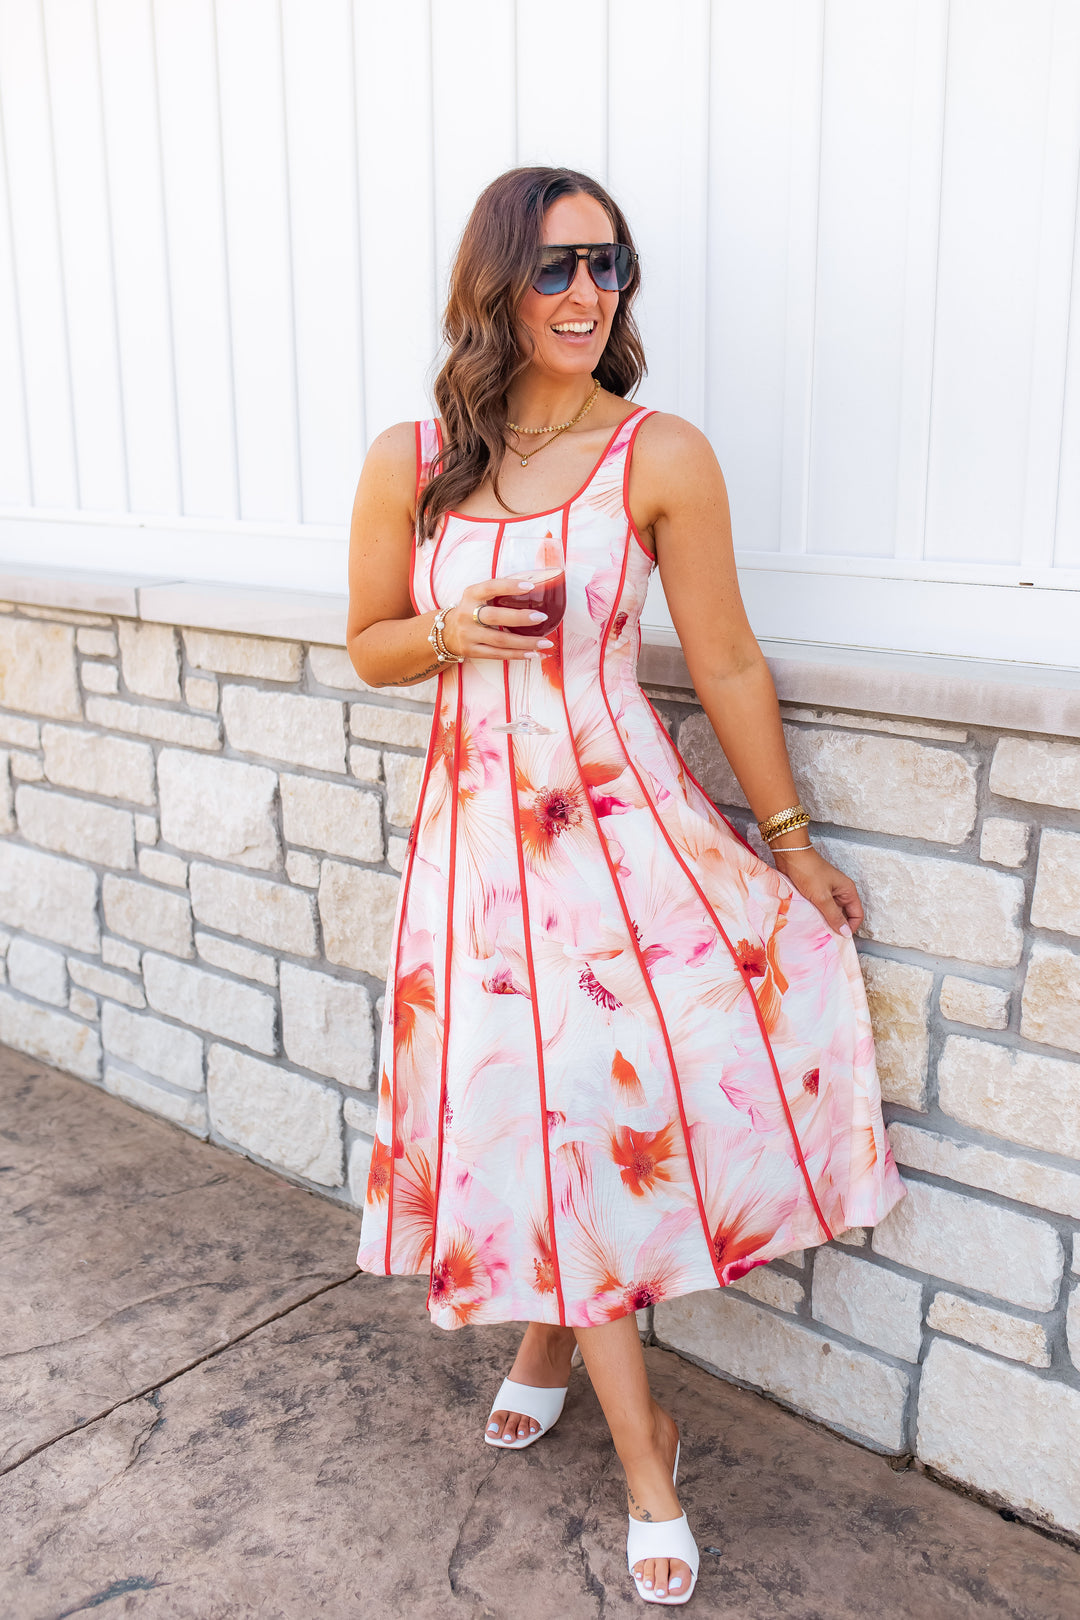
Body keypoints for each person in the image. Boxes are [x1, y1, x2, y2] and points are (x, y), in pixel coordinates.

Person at [346, 166, 905, 1608]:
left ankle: (644, 1450)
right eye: (555, 268)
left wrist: (788, 841)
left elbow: (726, 659)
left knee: (589, 1118)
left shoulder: (660, 454)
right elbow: (368, 642)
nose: (589, 292)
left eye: (609, 264)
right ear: (495, 286)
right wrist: (448, 634)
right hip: (477, 860)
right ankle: (566, 1349)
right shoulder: (414, 457)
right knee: (537, 1117)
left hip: (622, 843)